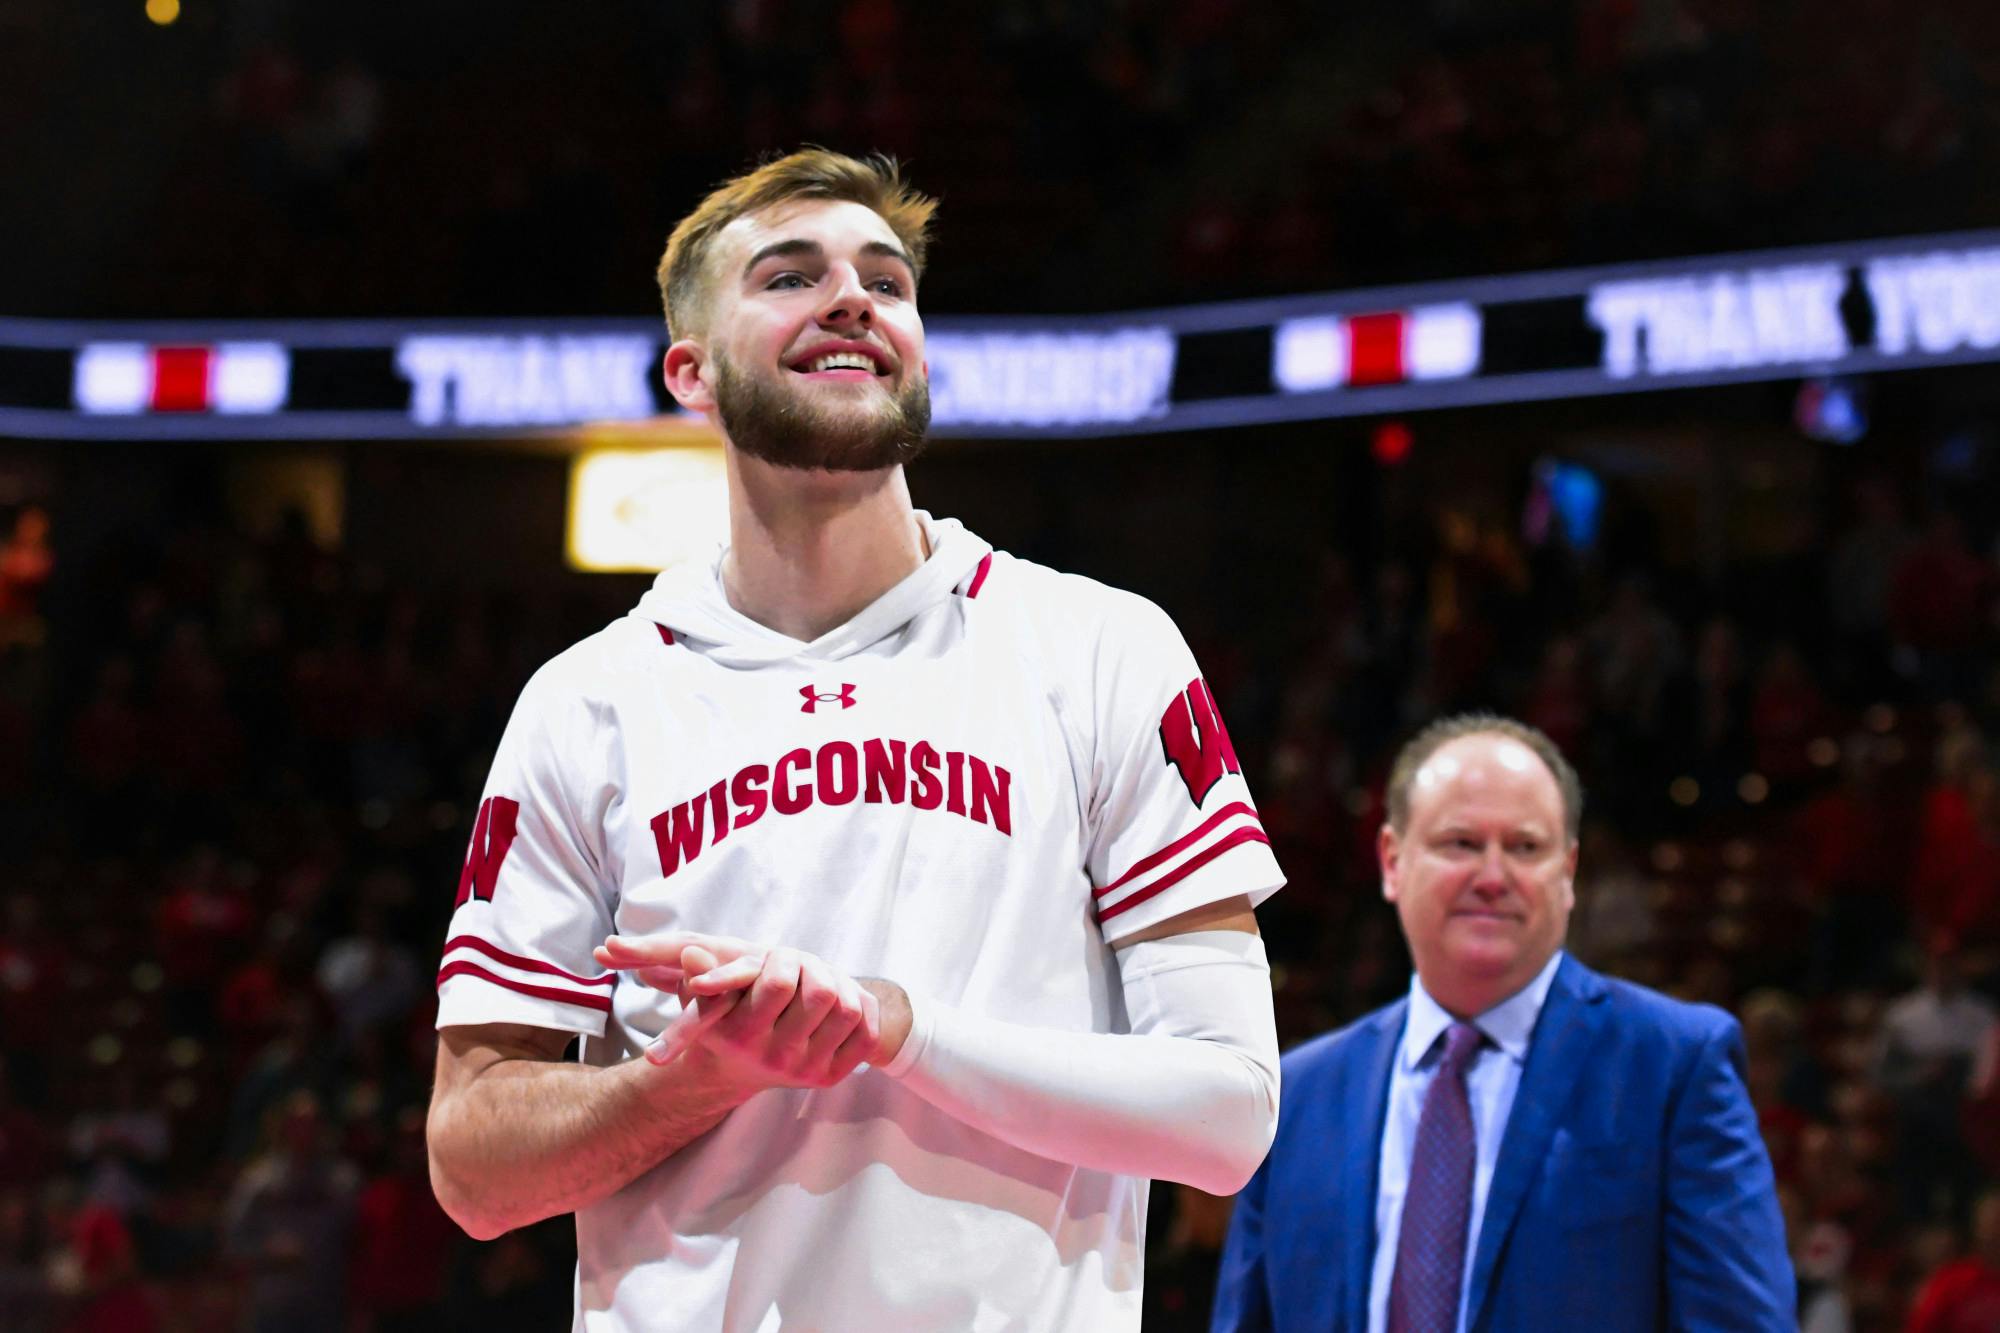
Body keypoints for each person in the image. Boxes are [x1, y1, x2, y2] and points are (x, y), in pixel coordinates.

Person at [424, 149, 1285, 1332]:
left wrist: (896, 1027)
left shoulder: (1101, 649)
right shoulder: (586, 702)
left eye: (885, 282)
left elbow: (1227, 1118)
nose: (851, 300)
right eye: (790, 277)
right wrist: (694, 1079)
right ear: (691, 371)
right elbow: (472, 1170)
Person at [1213, 713, 1793, 1332]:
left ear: (1568, 873)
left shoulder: (1672, 1066)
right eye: (1461, 844)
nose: (1493, 878)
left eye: (1525, 848)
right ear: (1392, 861)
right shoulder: (1297, 1098)